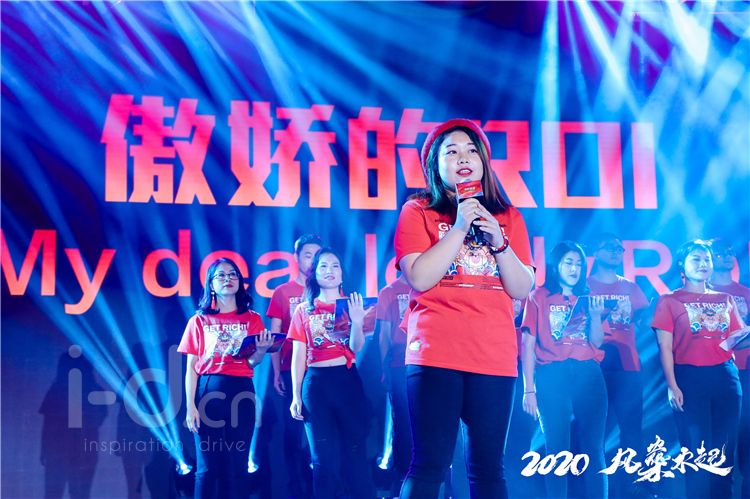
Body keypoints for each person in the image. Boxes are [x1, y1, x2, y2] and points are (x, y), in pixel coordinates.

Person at [394, 118, 534, 498]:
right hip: (436, 353)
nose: (463, 158)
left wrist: (499, 241)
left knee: (489, 471)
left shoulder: (508, 217)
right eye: (451, 152)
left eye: (472, 151)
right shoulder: (418, 211)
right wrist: (458, 227)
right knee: (430, 465)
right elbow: (420, 277)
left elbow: (522, 288)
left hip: (494, 356)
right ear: (434, 165)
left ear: (484, 162)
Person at [653, 240, 744, 499]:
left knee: (724, 456)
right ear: (682, 265)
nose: (703, 264)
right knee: (697, 455)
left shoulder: (725, 299)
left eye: (707, 259)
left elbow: (735, 339)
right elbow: (664, 347)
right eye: (696, 259)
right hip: (689, 379)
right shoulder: (669, 300)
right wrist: (672, 386)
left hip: (725, 377)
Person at [178, 258, 274, 499]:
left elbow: (252, 362)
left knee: (238, 466)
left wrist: (261, 350)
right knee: (207, 468)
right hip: (208, 392)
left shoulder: (252, 319)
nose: (227, 279)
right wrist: (190, 407)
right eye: (220, 275)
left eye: (233, 274)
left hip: (241, 390)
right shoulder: (198, 320)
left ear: (240, 282)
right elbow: (191, 368)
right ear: (211, 284)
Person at [521, 240, 608, 499]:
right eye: (568, 262)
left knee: (594, 448)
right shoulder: (538, 297)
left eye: (579, 264)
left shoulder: (589, 297)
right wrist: (529, 390)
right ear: (555, 265)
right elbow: (528, 345)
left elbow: (597, 342)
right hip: (552, 376)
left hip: (588, 373)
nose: (574, 269)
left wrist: (596, 316)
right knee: (557, 450)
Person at [288, 248, 375, 499]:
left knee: (355, 454)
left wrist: (357, 321)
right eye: (323, 266)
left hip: (346, 381)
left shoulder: (354, 304)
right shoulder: (303, 310)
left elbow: (356, 347)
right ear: (314, 274)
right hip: (316, 385)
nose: (329, 271)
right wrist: (295, 395)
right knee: (322, 459)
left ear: (342, 273)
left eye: (335, 265)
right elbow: (298, 355)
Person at [587, 234, 649, 497]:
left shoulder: (631, 288)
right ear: (596, 251)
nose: (615, 252)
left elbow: (645, 322)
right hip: (593, 366)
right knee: (594, 432)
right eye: (610, 247)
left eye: (619, 249)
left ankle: (632, 488)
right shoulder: (585, 285)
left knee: (631, 431)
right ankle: (595, 488)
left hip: (628, 367)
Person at [267, 234, 321, 498]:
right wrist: (277, 371)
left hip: (323, 369)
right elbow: (275, 336)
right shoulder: (282, 292)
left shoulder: (328, 290)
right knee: (293, 431)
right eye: (308, 255)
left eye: (317, 256)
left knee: (321, 433)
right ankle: (295, 488)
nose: (312, 261)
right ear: (296, 257)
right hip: (292, 369)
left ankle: (319, 487)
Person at [709, 238, 750, 499]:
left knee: (747, 439)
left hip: (746, 372)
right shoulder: (701, 292)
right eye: (719, 252)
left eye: (729, 252)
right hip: (715, 371)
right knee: (720, 441)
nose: (726, 256)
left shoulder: (745, 292)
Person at [376, 273, 411, 495]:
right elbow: (384, 336)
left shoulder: (430, 285)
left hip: (429, 365)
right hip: (399, 365)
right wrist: (385, 369)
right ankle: (401, 484)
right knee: (403, 427)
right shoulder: (389, 292)